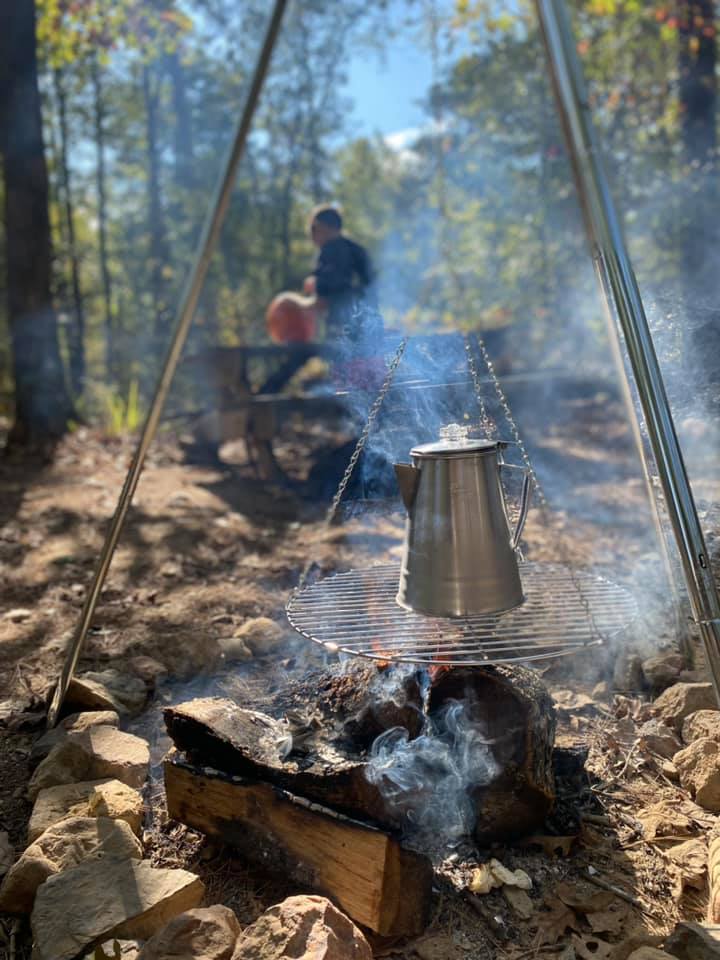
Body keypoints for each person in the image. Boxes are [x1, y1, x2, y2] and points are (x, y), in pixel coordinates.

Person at [305, 205, 383, 366]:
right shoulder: (358, 250)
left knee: (346, 383)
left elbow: (323, 301)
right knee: (369, 382)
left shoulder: (330, 251)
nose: (311, 234)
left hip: (343, 333)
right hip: (370, 331)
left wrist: (292, 304)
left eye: (314, 228)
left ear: (326, 228)